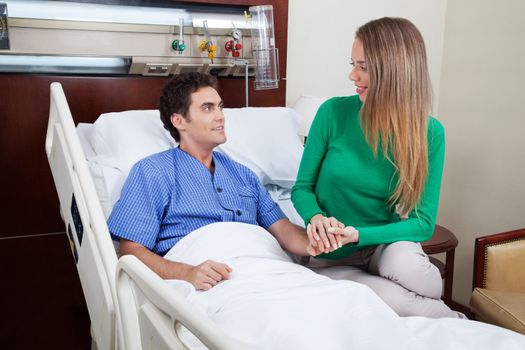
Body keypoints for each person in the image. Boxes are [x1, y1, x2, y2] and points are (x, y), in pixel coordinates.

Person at [107, 72, 353, 291]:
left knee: (348, 300)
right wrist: (187, 273)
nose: (220, 116)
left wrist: (316, 241)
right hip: (209, 281)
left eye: (220, 107)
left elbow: (283, 230)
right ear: (179, 121)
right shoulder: (152, 172)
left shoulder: (244, 175)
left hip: (264, 269)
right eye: (207, 108)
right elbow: (131, 252)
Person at [291, 17, 464, 318]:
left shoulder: (430, 132)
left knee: (413, 271)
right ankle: (460, 323)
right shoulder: (333, 112)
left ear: (394, 72)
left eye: (363, 66)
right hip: (334, 256)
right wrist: (316, 216)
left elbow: (423, 223)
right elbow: (301, 188)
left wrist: (358, 235)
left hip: (382, 245)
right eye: (353, 63)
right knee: (404, 304)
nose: (352, 75)